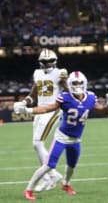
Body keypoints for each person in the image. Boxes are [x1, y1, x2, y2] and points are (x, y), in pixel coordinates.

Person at [14, 71, 108, 200]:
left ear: (85, 84)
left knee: (72, 165)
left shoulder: (91, 97)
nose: (78, 85)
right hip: (61, 137)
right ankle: (28, 189)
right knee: (49, 165)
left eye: (80, 83)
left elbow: (104, 111)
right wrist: (28, 110)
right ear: (69, 84)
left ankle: (66, 184)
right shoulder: (65, 97)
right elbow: (47, 108)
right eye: (74, 83)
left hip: (76, 139)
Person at [13, 48, 67, 192]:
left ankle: (50, 175)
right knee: (36, 144)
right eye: (45, 61)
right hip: (39, 110)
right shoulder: (37, 73)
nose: (48, 64)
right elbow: (35, 92)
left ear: (55, 61)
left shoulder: (60, 73)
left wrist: (65, 82)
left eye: (50, 61)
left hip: (53, 110)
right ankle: (49, 175)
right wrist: (25, 102)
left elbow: (67, 92)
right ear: (40, 62)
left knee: (38, 143)